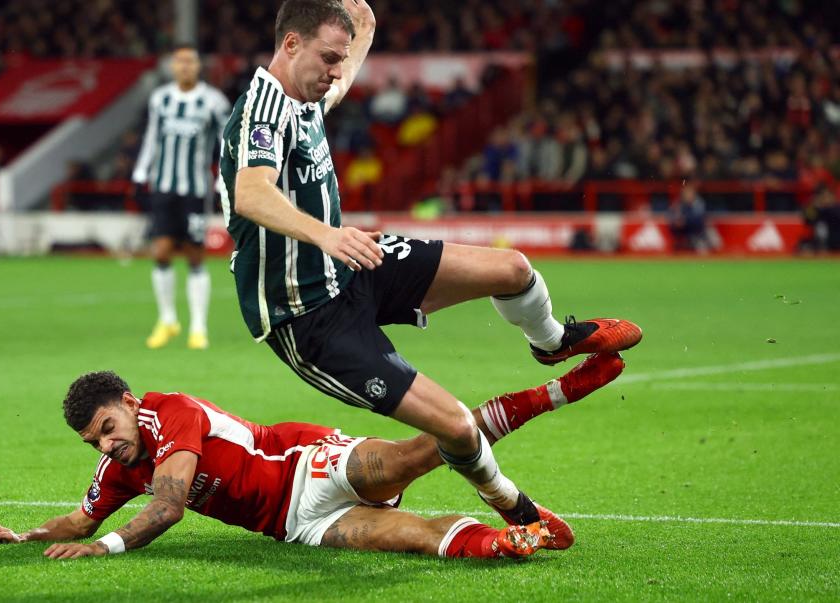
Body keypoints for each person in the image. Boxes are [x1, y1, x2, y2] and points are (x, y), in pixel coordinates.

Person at [218, 0, 642, 533]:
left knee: (513, 269)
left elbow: (341, 81)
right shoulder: (261, 110)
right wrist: (328, 234)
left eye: (340, 59)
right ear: (291, 45)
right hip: (307, 318)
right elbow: (252, 193)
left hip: (353, 267)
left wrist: (364, 33)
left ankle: (552, 342)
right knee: (456, 427)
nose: (335, 71)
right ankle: (513, 505)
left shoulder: (306, 93)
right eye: (329, 58)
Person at [0, 353, 625, 560]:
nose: (107, 445)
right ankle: (521, 533)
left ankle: (557, 388)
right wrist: (23, 533)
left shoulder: (170, 412)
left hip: (303, 460)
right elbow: (81, 519)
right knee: (414, 539)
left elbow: (167, 506)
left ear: (128, 402)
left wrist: (107, 548)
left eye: (107, 427)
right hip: (297, 522)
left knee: (418, 455)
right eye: (94, 441)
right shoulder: (119, 463)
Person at [132, 45, 231, 350]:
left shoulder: (212, 101)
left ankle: (198, 327)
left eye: (190, 61)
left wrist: (222, 182)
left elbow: (226, 140)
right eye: (179, 61)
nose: (184, 66)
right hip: (163, 185)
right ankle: (168, 320)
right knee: (160, 251)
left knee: (194, 255)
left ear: (198, 66)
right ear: (172, 66)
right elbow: (152, 137)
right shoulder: (160, 99)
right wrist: (140, 172)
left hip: (195, 189)